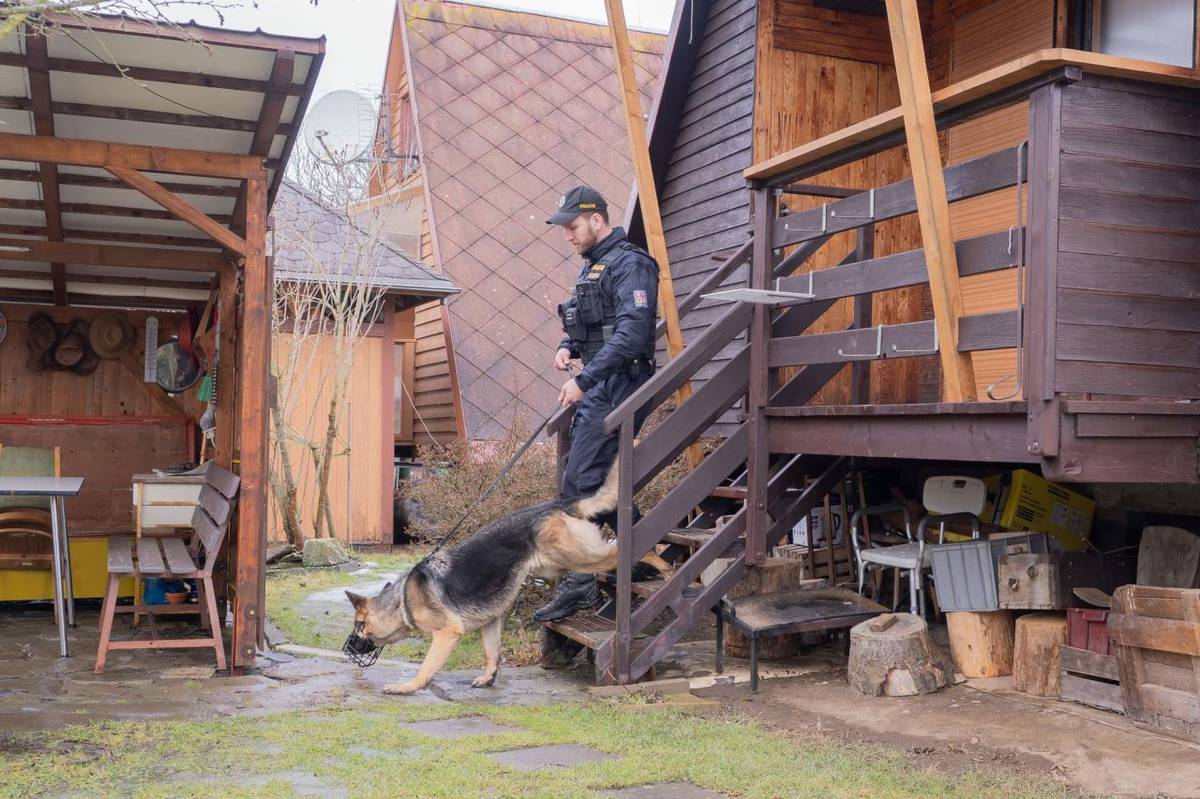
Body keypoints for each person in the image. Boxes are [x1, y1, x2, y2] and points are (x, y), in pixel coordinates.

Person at [533, 184, 660, 632]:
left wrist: (583, 381)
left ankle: (582, 580)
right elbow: (587, 322)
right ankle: (639, 549)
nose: (567, 235)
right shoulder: (593, 266)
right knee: (587, 479)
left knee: (580, 481)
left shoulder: (632, 264)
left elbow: (632, 335)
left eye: (572, 226)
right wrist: (568, 347)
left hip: (620, 382)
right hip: (601, 382)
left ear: (597, 220)